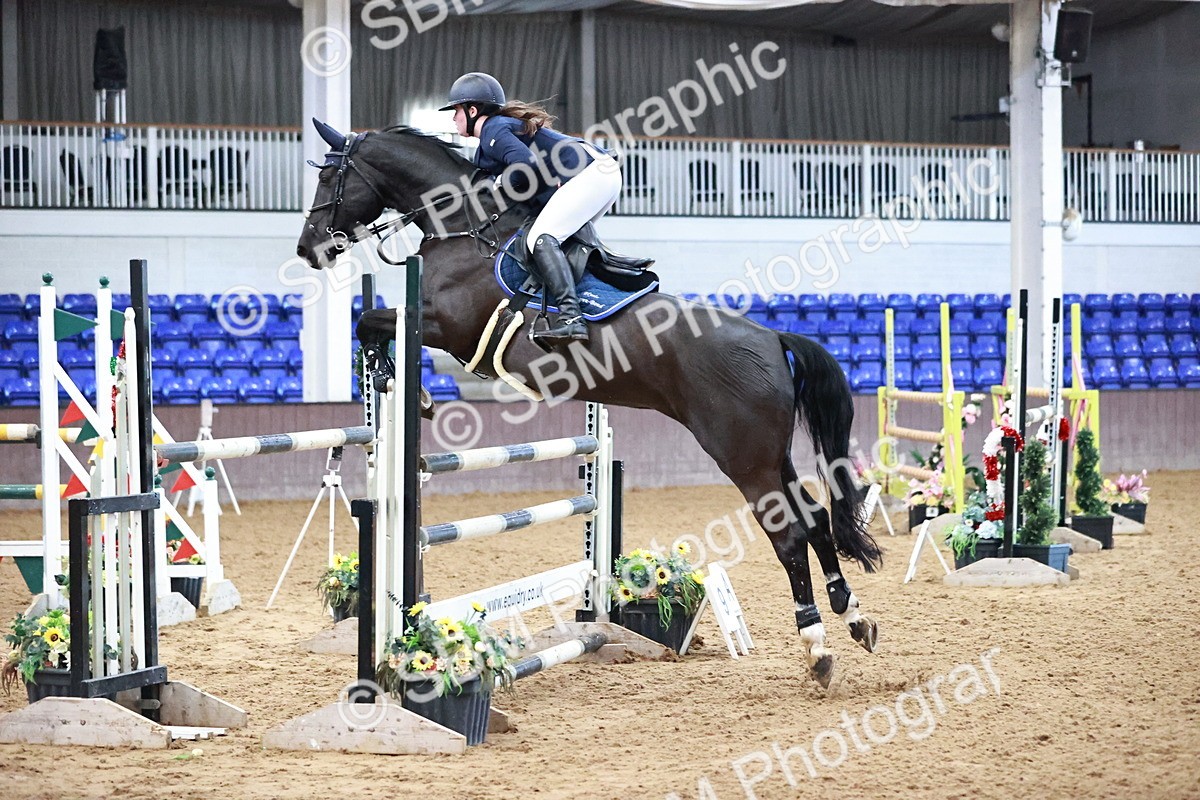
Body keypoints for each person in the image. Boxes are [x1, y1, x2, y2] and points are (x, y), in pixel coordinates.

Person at [441, 72, 621, 345]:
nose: (453, 118)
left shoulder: (494, 129)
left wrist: (500, 183)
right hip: (600, 172)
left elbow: (524, 165)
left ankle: (572, 319)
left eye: (456, 111)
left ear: (473, 110)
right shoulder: (489, 141)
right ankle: (590, 301)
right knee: (558, 240)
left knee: (541, 238)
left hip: (589, 173)